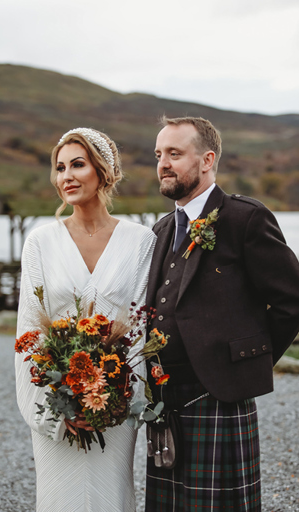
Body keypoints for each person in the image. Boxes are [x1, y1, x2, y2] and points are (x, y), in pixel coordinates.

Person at [145, 116, 299, 511]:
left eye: (175, 154)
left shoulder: (244, 218)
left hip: (220, 396)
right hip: (166, 397)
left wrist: (245, 360)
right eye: (159, 154)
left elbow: (290, 301)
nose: (163, 163)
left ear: (207, 159)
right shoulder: (161, 230)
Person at [15, 128, 156, 511]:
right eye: (60, 168)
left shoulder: (141, 241)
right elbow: (29, 329)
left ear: (104, 172)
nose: (67, 177)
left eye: (78, 164)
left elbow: (141, 330)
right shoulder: (40, 242)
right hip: (57, 403)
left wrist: (119, 400)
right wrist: (56, 409)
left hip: (115, 406)